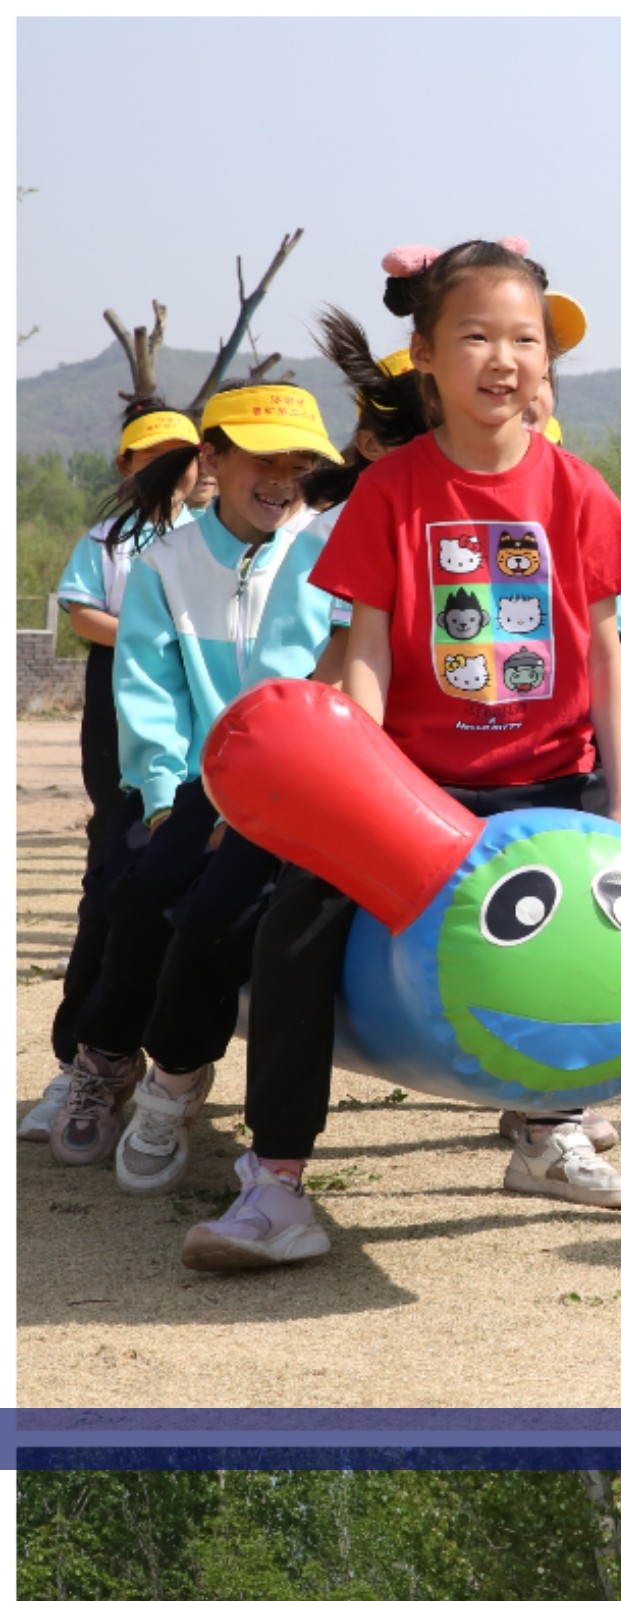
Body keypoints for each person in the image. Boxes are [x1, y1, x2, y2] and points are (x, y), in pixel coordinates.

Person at [190, 238, 621, 1268]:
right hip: (413, 796)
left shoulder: (579, 490)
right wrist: (353, 790)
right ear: (424, 357)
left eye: (524, 340)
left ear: (546, 362)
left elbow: (603, 648)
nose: (504, 358)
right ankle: (276, 1187)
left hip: (548, 789)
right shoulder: (393, 492)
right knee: (292, 927)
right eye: (476, 337)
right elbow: (364, 651)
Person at [53, 384, 342, 1180]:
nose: (282, 479)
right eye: (263, 460)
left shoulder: (327, 557)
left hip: (303, 794)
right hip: (198, 787)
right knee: (137, 895)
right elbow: (147, 689)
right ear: (212, 460)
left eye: (298, 463)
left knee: (223, 919)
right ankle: (104, 1060)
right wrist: (163, 797)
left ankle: (174, 1077)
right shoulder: (165, 563)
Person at [25, 406, 204, 1142]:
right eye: (149, 453)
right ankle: (80, 1062)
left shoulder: (210, 539)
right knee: (111, 874)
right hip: (116, 704)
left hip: (189, 716)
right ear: (125, 465)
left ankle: (170, 1059)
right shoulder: (108, 537)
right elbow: (80, 612)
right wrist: (148, 629)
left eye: (181, 453)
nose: (166, 464)